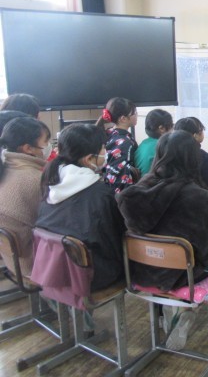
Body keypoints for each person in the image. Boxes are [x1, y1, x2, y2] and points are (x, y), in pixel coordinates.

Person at [116, 130, 208, 351]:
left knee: (172, 257)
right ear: (193, 158)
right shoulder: (197, 195)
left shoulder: (136, 191)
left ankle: (166, 310)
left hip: (141, 271)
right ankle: (186, 307)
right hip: (183, 275)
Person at [37, 124, 125, 292]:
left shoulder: (50, 182)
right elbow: (118, 237)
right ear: (89, 159)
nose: (106, 152)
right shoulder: (100, 194)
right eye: (103, 148)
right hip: (91, 277)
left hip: (53, 272)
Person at [0, 117, 51, 275]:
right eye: (46, 141)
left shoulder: (5, 168)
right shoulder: (34, 179)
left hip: (12, 259)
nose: (49, 146)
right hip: (34, 264)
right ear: (28, 148)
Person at [95, 97, 139, 193]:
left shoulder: (109, 133)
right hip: (121, 196)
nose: (137, 115)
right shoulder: (125, 143)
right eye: (134, 113)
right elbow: (120, 178)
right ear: (123, 119)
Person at [135, 109, 173, 176]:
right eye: (171, 126)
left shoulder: (143, 144)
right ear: (161, 128)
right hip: (153, 181)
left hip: (142, 181)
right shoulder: (163, 146)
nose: (172, 130)